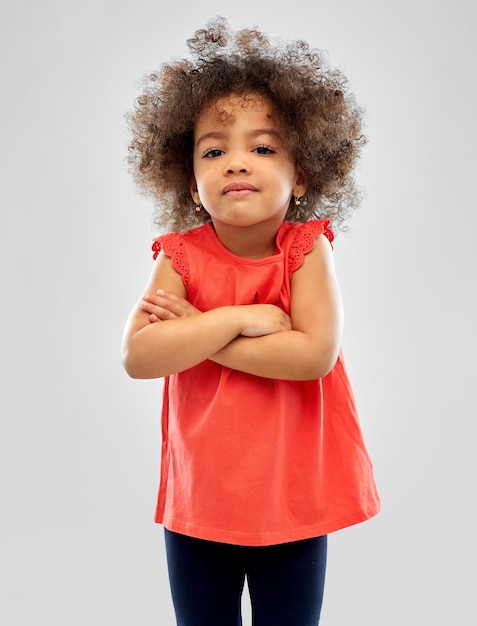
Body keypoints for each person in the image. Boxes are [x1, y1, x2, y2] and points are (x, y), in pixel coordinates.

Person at [121, 16, 380, 626]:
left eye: (262, 148)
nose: (237, 163)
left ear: (303, 176)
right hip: (201, 501)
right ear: (191, 180)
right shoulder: (179, 256)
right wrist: (246, 317)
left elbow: (312, 353)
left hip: (293, 498)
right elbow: (138, 357)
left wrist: (198, 332)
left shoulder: (305, 249)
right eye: (215, 150)